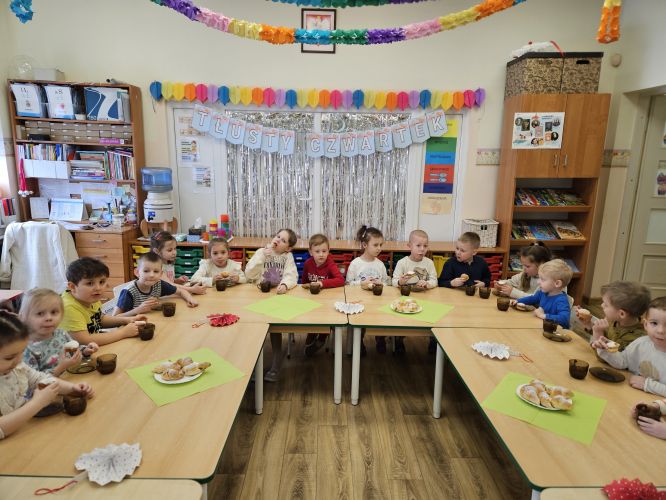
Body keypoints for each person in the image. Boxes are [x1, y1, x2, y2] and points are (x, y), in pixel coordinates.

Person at [0, 311, 94, 440]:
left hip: (26, 432)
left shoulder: (18, 367)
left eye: (21, 352)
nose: (18, 360)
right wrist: (37, 403)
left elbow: (41, 379)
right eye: (9, 357)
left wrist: (72, 388)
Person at [245, 229, 299, 382]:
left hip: (277, 299)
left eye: (283, 240)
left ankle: (275, 362)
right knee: (255, 330)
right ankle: (254, 364)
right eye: (278, 236)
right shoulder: (261, 252)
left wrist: (285, 285)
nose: (278, 240)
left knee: (275, 328)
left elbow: (292, 275)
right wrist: (262, 255)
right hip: (259, 297)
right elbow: (249, 274)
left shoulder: (287, 257)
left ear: (288, 248)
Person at [59, 257, 146, 346]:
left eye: (101, 282)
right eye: (90, 283)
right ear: (72, 287)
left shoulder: (90, 297)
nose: (98, 288)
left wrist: (126, 320)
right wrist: (123, 332)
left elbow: (99, 319)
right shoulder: (68, 308)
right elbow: (84, 340)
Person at [593, 296, 666, 397]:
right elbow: (623, 361)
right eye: (654, 323)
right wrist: (606, 348)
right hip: (629, 396)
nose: (660, 330)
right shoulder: (641, 343)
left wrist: (647, 384)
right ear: (646, 325)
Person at [20, 288, 98, 376]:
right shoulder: (27, 349)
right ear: (24, 318)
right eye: (40, 313)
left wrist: (85, 351)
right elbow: (35, 381)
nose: (49, 318)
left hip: (73, 377)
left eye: (53, 312)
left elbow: (73, 350)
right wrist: (61, 367)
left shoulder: (61, 333)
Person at [392, 229, 438, 355]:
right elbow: (394, 281)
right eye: (418, 245)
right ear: (409, 246)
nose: (422, 249)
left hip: (425, 298)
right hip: (406, 299)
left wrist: (428, 284)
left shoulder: (429, 263)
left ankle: (433, 340)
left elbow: (434, 280)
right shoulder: (402, 263)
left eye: (425, 246)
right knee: (401, 320)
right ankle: (398, 339)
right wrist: (401, 281)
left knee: (433, 317)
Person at [113, 252, 198, 316]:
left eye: (156, 271)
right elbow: (115, 317)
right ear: (137, 272)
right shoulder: (128, 292)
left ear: (161, 274)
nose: (151, 275)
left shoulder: (159, 284)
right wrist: (138, 310)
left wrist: (190, 300)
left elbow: (181, 291)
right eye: (146, 271)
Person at [346, 225, 388, 354]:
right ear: (365, 245)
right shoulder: (355, 264)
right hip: (359, 301)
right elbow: (348, 284)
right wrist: (361, 283)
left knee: (381, 318)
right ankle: (358, 341)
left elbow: (387, 283)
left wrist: (381, 283)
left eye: (380, 245)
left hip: (377, 302)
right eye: (375, 245)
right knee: (360, 321)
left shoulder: (380, 264)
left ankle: (380, 338)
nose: (379, 248)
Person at [301, 233, 344, 357]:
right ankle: (312, 336)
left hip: (327, 301)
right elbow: (304, 282)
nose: (321, 254)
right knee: (312, 319)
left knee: (327, 319)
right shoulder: (308, 263)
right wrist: (307, 286)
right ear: (311, 252)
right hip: (312, 300)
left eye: (324, 251)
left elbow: (340, 280)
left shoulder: (330, 263)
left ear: (328, 251)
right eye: (317, 251)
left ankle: (322, 338)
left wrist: (321, 283)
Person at [576, 281, 650, 352]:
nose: (602, 305)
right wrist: (588, 324)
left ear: (622, 314)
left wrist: (598, 334)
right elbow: (605, 336)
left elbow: (607, 357)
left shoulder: (633, 339)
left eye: (606, 304)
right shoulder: (614, 320)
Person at [512, 259, 573, 328]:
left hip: (556, 331)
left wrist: (543, 316)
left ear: (557, 283)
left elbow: (564, 319)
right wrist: (518, 301)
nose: (538, 282)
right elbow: (532, 298)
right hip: (542, 327)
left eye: (543, 279)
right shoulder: (543, 293)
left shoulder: (561, 300)